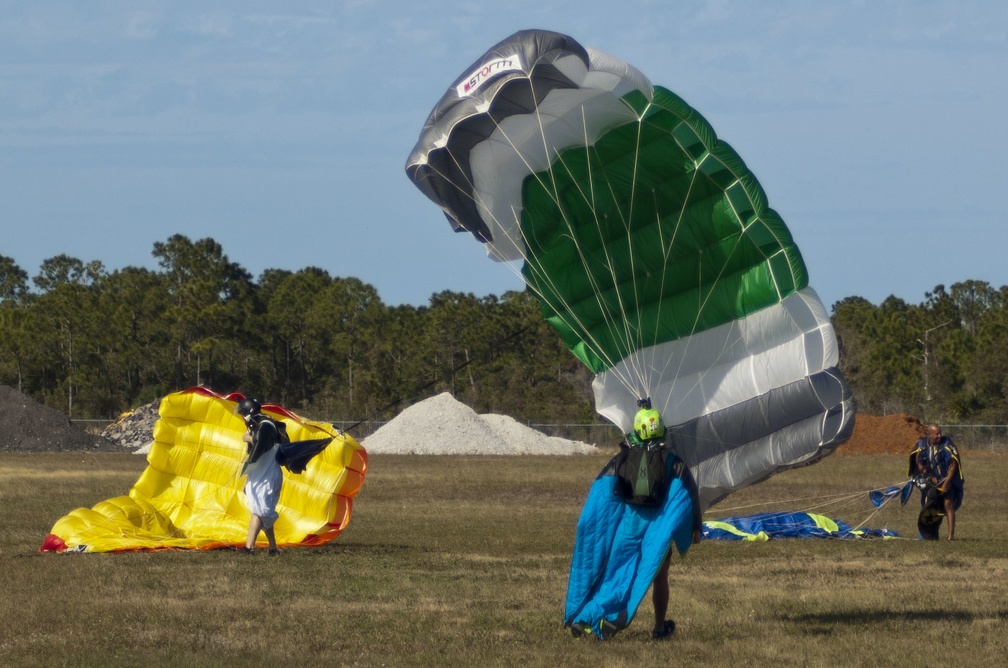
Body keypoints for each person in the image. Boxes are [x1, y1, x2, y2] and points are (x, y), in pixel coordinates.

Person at [565, 402, 699, 641]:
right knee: (654, 574)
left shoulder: (623, 458)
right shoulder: (674, 462)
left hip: (628, 524)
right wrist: (695, 528)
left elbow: (604, 491)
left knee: (616, 570)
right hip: (657, 524)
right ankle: (643, 624)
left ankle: (586, 615)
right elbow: (687, 497)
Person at [235, 397, 284, 555]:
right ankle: (273, 549)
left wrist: (247, 437)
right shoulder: (258, 425)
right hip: (259, 474)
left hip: (268, 476)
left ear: (249, 412)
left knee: (260, 512)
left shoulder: (266, 425)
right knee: (261, 511)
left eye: (243, 413)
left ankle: (249, 548)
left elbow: (261, 443)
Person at [909, 423, 964, 540]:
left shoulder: (947, 444)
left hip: (948, 479)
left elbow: (953, 466)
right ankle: (928, 535)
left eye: (940, 433)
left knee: (947, 504)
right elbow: (919, 462)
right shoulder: (922, 445)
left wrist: (945, 484)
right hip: (932, 480)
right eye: (936, 434)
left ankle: (950, 537)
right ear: (929, 434)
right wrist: (928, 474)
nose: (939, 435)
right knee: (927, 506)